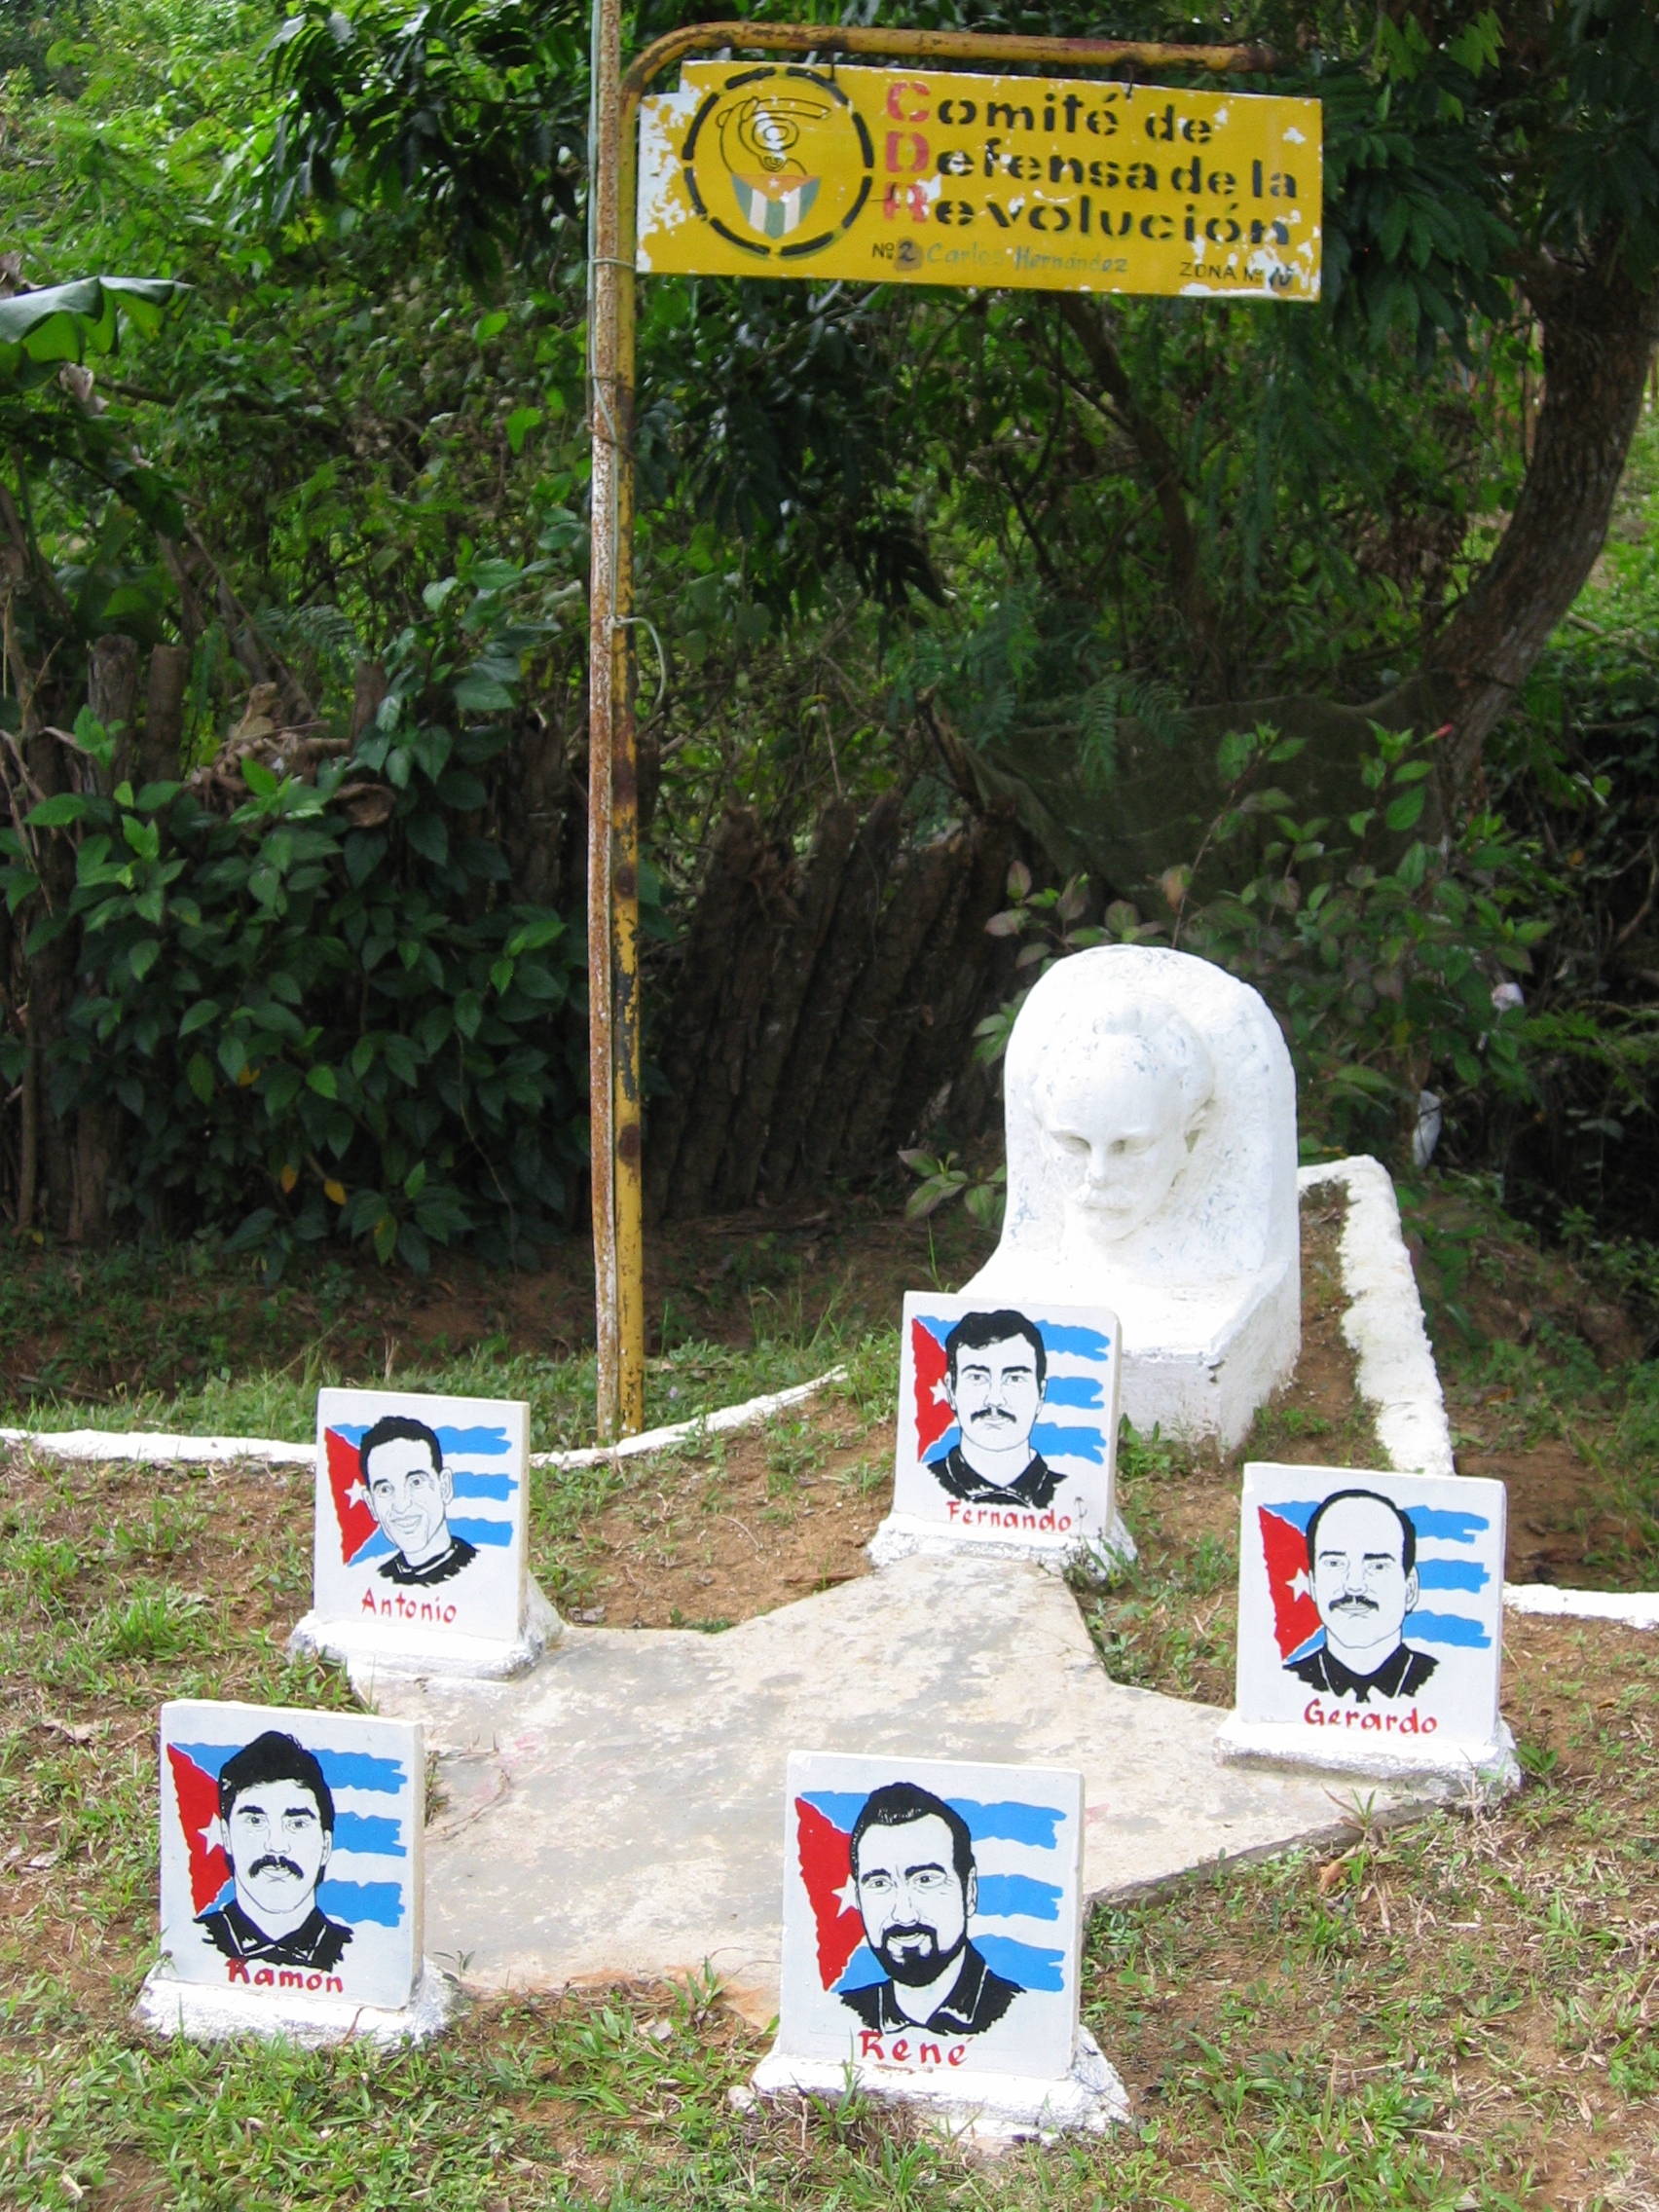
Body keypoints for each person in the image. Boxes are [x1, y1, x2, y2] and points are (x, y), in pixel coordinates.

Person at [838, 1782, 1022, 2036]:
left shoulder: (1020, 2013)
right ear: (858, 1896)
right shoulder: (841, 2014)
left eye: (925, 1880)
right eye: (879, 1883)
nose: (904, 1915)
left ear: (970, 1892)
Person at [198, 1731, 352, 1970]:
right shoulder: (196, 1939)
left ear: (326, 1846)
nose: (276, 1845)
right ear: (226, 1837)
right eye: (255, 1821)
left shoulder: (354, 1951)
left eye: (297, 1823)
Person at [1287, 1488, 1439, 1703]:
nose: (1354, 1586)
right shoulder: (1284, 1682)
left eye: (1377, 1566)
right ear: (1313, 1583)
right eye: (1335, 1563)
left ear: (1411, 1588)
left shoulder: (1444, 1682)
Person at [930, 1309, 1058, 1508]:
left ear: (1041, 1394)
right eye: (977, 1377)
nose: (995, 1400)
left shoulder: (1067, 1492)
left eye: (1014, 1378)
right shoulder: (924, 1482)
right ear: (950, 1390)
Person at [360, 1414, 477, 1587]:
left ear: (444, 1487)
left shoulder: (480, 1568)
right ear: (371, 1505)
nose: (401, 1506)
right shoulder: (374, 1581)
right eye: (385, 1489)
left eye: (416, 1482)